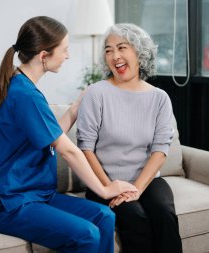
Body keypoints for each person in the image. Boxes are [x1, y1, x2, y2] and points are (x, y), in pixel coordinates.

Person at [0, 16, 138, 253]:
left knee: (104, 216)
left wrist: (75, 109)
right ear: (44, 55)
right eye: (64, 50)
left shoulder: (25, 87)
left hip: (37, 195)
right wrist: (105, 189)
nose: (68, 56)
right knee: (86, 234)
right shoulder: (25, 94)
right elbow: (68, 150)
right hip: (9, 202)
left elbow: (50, 135)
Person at [76, 23, 183, 253]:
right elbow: (86, 149)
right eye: (108, 50)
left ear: (139, 52)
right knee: (134, 217)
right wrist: (109, 187)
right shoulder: (96, 93)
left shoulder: (159, 98)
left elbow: (160, 149)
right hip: (105, 181)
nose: (115, 56)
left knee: (164, 211)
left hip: (147, 180)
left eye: (122, 48)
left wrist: (135, 189)